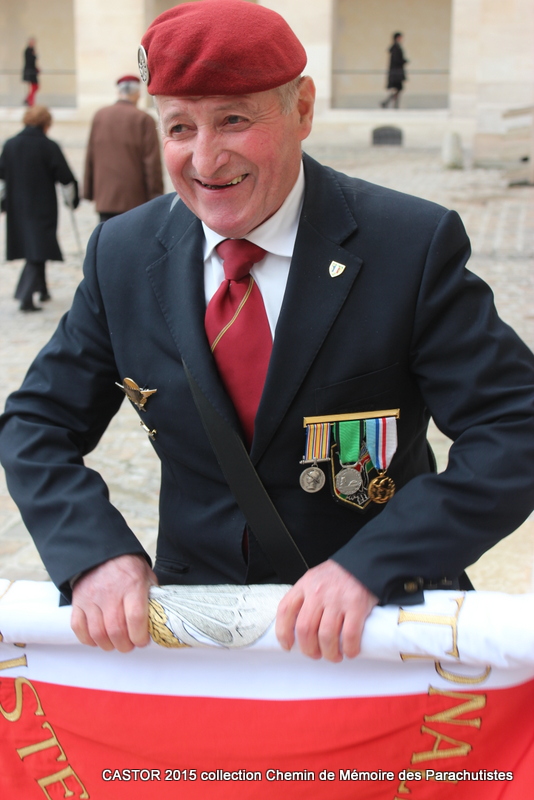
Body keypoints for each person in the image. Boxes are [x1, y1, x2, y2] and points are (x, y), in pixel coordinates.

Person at [0, 1, 533, 662]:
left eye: (233, 119)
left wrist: (376, 562)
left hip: (372, 639)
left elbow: (515, 428)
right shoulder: (123, 255)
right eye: (179, 127)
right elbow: (35, 423)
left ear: (302, 109)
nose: (204, 157)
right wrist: (93, 552)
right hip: (202, 649)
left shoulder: (408, 246)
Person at [0, 105, 79, 312]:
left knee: (34, 246)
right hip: (41, 205)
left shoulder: (10, 145)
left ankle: (42, 290)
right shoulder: (48, 146)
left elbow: (1, 177)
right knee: (38, 249)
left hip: (17, 206)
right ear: (46, 124)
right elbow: (65, 177)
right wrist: (73, 199)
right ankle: (25, 297)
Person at [83, 75, 164, 222]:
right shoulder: (143, 119)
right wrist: (156, 196)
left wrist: (88, 190)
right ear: (138, 93)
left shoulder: (100, 115)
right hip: (134, 199)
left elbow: (91, 155)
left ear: (118, 92)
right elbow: (152, 163)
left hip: (105, 197)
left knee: (106, 241)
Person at [381, 32, 407, 109]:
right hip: (396, 73)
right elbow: (396, 61)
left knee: (397, 90)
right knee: (397, 89)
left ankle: (388, 103)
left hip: (396, 72)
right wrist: (403, 61)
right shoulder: (395, 48)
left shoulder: (396, 48)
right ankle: (390, 104)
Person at [22, 37, 39, 107]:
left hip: (32, 70)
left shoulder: (32, 50)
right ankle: (30, 101)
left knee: (35, 87)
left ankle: (28, 99)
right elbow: (30, 61)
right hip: (30, 71)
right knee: (33, 86)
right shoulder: (28, 50)